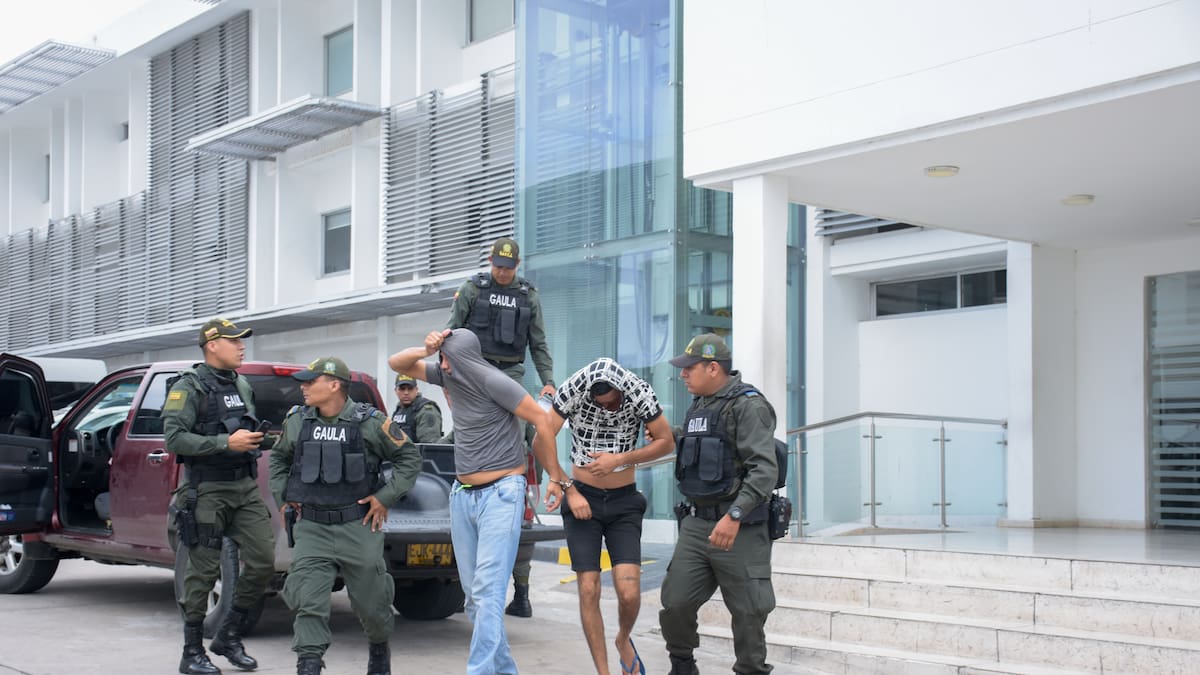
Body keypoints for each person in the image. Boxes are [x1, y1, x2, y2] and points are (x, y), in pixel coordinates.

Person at [388, 328, 571, 675]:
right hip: (463, 495)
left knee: (488, 592)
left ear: (461, 357)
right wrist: (426, 348)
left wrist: (555, 477)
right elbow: (396, 363)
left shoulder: (495, 381)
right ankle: (504, 670)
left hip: (501, 494)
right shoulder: (448, 374)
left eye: (445, 357)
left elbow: (542, 420)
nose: (441, 364)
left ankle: (480, 671)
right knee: (474, 598)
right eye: (440, 358)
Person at [267, 357, 422, 675]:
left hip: (358, 525)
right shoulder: (297, 420)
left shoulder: (370, 422)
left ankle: (379, 649)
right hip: (312, 526)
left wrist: (385, 497)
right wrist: (283, 498)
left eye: (311, 381)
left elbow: (409, 457)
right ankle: (308, 663)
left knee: (371, 602)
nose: (304, 387)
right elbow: (279, 459)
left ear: (334, 385)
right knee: (308, 600)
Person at [543, 358, 674, 675]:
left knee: (629, 592)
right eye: (600, 403)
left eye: (612, 402)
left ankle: (623, 639)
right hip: (582, 499)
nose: (607, 408)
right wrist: (566, 487)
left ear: (621, 390)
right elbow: (540, 438)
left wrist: (620, 459)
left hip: (624, 501)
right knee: (589, 588)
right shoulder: (574, 388)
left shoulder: (639, 391)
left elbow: (666, 442)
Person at [446, 236, 555, 617]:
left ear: (517, 266)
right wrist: (448, 376)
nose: (502, 272)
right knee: (465, 433)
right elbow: (449, 334)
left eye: (508, 267)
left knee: (520, 438)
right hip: (473, 371)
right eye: (497, 266)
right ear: (490, 262)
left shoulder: (528, 296)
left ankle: (522, 491)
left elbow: (538, 343)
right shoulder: (472, 289)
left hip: (510, 373)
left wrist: (548, 381)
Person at [658, 334, 779, 675]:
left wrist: (735, 515)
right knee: (675, 602)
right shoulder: (700, 404)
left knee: (749, 611)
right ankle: (682, 664)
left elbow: (764, 469)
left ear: (713, 368)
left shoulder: (749, 405)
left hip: (739, 527)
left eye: (689, 368)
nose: (683, 374)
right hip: (697, 524)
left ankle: (750, 670)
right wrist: (667, 433)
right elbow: (700, 440)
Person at [163, 318, 274, 675]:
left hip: (244, 487)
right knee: (203, 572)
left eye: (242, 341)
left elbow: (245, 429)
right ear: (212, 345)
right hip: (206, 489)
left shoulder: (241, 383)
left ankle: (228, 634)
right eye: (234, 341)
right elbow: (174, 439)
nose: (242, 347)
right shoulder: (189, 386)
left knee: (263, 562)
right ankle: (192, 652)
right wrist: (225, 443)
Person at [391, 373, 443, 443]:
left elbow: (428, 445)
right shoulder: (399, 409)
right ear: (396, 391)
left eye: (410, 389)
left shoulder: (426, 410)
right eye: (402, 389)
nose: (406, 392)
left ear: (416, 390)